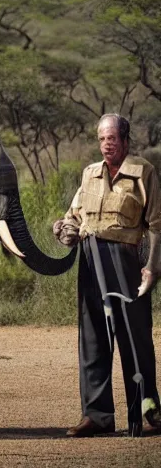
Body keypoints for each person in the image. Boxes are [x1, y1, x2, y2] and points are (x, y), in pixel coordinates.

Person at [53, 113, 161, 437]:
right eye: (102, 139)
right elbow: (73, 216)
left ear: (126, 140)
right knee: (93, 338)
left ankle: (148, 413)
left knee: (134, 337)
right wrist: (65, 230)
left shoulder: (143, 171)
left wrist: (153, 268)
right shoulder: (89, 174)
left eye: (112, 138)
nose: (106, 144)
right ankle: (97, 416)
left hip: (126, 260)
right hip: (90, 259)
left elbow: (156, 225)